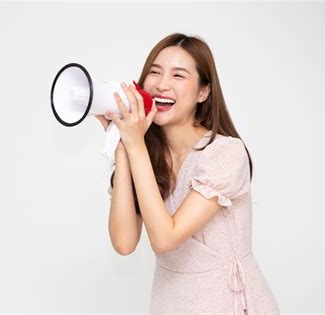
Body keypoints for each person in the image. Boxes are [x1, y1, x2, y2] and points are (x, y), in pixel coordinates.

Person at [96, 33, 280, 314]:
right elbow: (124, 243)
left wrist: (136, 148)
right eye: (154, 73)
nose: (162, 84)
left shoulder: (225, 153)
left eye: (178, 75)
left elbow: (164, 238)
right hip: (170, 304)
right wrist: (123, 148)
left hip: (227, 304)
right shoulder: (144, 154)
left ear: (203, 92)